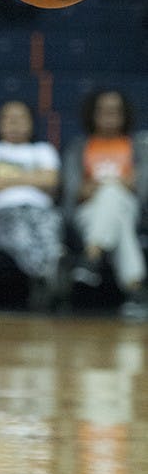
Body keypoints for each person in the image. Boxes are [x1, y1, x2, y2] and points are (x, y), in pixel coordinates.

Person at [0, 100, 65, 311]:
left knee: (50, 237)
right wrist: (32, 177)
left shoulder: (43, 150)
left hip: (41, 211)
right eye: (8, 118)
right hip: (3, 213)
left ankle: (46, 277)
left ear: (31, 123)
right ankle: (49, 277)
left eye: (20, 118)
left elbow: (51, 182)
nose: (14, 123)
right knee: (22, 238)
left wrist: (3, 179)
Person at [62, 89, 148, 320]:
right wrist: (116, 184)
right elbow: (72, 194)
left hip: (129, 207)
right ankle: (135, 289)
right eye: (103, 110)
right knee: (116, 210)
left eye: (115, 110)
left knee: (113, 195)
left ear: (124, 114)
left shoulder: (139, 146)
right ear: (93, 114)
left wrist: (113, 186)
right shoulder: (79, 147)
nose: (109, 115)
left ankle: (92, 255)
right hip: (88, 212)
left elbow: (143, 192)